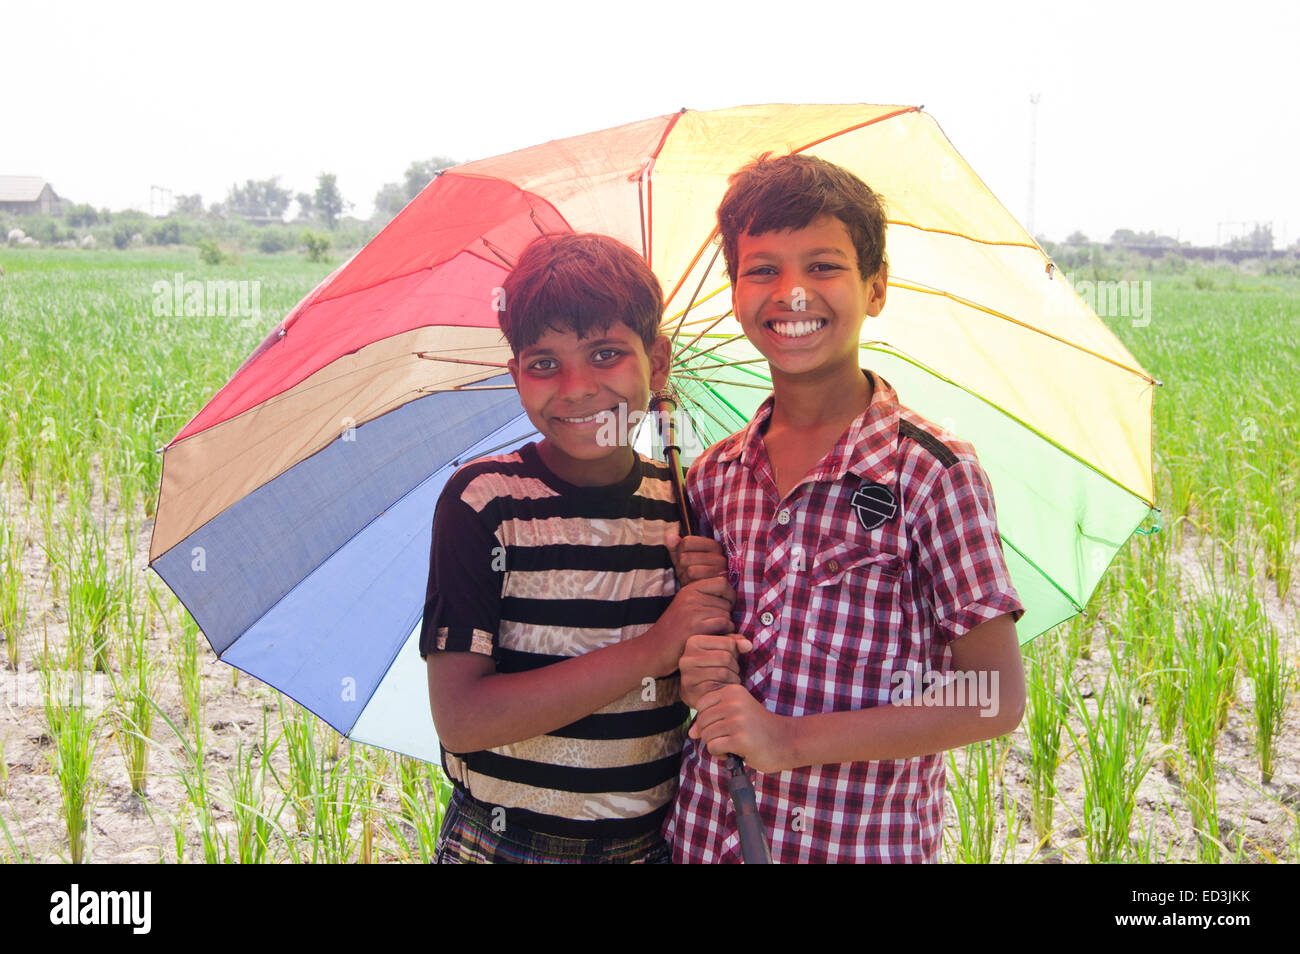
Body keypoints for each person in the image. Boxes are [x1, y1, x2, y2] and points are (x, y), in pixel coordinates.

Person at [663, 155, 1027, 863]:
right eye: (761, 269)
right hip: (708, 837)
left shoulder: (929, 472)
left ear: (877, 288)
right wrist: (692, 645)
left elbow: (994, 697)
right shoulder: (710, 480)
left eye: (823, 266)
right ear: (735, 294)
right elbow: (701, 670)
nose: (792, 292)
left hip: (857, 844)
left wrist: (788, 740)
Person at [420, 231, 735, 863]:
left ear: (659, 361)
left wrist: (706, 622)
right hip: (502, 843)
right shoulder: (484, 502)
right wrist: (655, 646)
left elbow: (698, 690)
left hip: (646, 845)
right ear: (516, 376)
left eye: (606, 354)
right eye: (543, 364)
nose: (575, 387)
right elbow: (463, 718)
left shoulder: (685, 507)